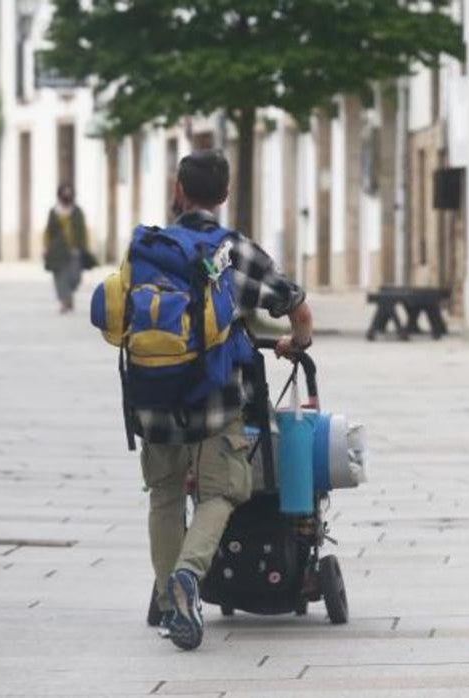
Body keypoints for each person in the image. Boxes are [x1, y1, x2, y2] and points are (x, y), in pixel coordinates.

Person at [139, 151, 314, 651]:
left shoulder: (149, 247)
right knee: (222, 492)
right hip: (217, 395)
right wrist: (295, 345)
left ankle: (170, 600)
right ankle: (189, 576)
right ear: (226, 194)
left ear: (178, 190)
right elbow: (299, 309)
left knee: (166, 494)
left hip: (153, 391)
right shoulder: (234, 250)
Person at [43, 184, 90, 313]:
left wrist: (84, 247)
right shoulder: (54, 212)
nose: (66, 195)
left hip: (74, 250)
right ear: (60, 194)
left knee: (75, 278)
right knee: (60, 276)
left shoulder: (77, 211)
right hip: (57, 250)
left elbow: (83, 230)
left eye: (69, 192)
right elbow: (48, 231)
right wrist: (46, 247)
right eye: (64, 193)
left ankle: (68, 296)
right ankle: (64, 302)